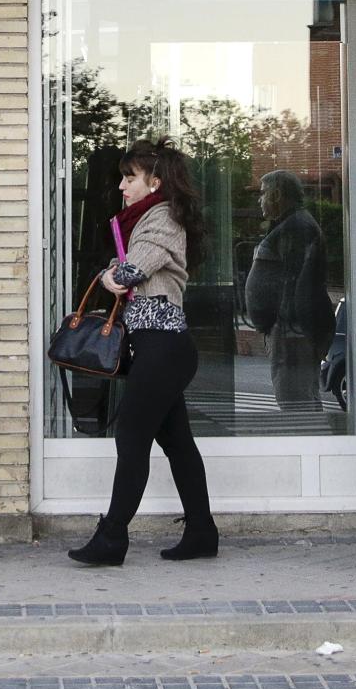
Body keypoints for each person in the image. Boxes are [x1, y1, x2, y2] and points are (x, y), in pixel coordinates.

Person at [68, 138, 217, 566]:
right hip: (156, 346)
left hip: (164, 347)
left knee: (131, 435)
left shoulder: (162, 217)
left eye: (128, 178)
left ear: (155, 181)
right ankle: (202, 532)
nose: (121, 186)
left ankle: (113, 536)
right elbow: (121, 273)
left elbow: (132, 271)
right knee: (178, 443)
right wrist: (110, 272)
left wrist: (110, 272)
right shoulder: (144, 219)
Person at [245, 169, 335, 411]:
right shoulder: (291, 223)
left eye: (263, 193)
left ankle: (308, 446)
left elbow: (296, 282)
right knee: (297, 397)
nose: (259, 199)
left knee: (296, 401)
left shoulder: (297, 226)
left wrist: (289, 327)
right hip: (290, 330)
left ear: (276, 195)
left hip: (292, 333)